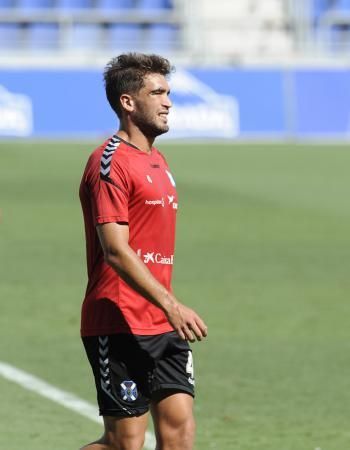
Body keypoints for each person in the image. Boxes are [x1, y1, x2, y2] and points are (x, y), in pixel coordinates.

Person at [79, 53, 208, 450]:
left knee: (180, 434)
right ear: (128, 102)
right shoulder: (109, 163)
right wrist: (172, 305)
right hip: (118, 319)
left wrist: (167, 310)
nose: (168, 101)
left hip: (163, 321)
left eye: (168, 92)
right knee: (124, 445)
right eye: (157, 92)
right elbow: (115, 251)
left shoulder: (157, 159)